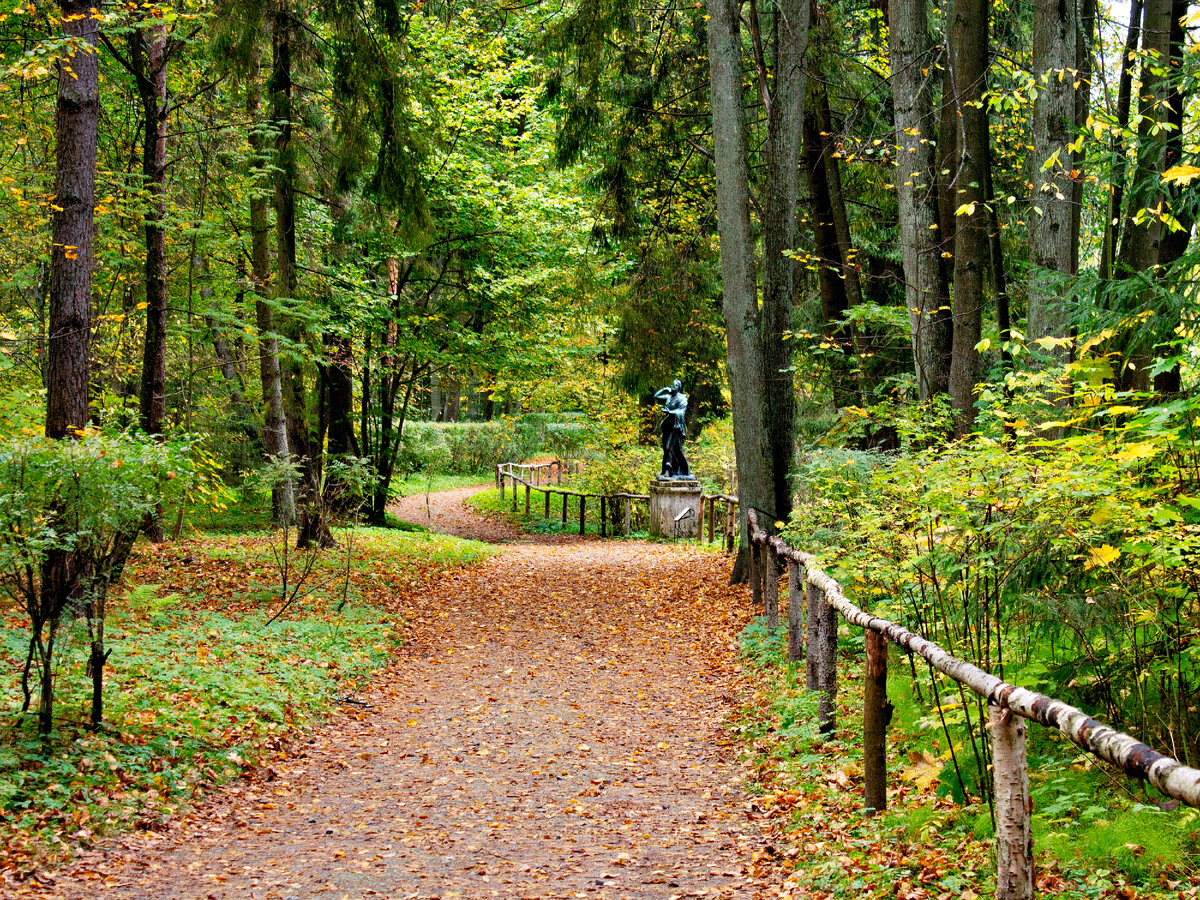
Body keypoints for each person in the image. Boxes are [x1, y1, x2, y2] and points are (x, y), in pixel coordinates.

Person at [653, 380, 693, 480]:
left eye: (674, 385)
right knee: (673, 449)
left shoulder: (682, 398)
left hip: (676, 426)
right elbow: (656, 396)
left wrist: (670, 412)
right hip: (667, 425)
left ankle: (668, 468)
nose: (672, 387)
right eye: (671, 385)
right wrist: (664, 389)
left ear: (678, 386)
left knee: (668, 446)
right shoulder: (669, 396)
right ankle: (681, 469)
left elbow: (681, 412)